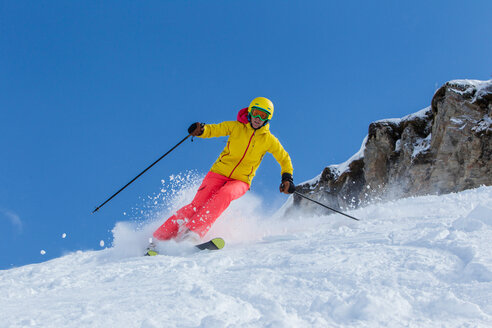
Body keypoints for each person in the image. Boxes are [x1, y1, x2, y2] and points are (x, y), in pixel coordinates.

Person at [148, 97, 295, 252]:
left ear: (268, 119)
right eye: (256, 113)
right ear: (250, 112)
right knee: (196, 206)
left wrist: (287, 178)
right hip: (218, 172)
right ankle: (157, 240)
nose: (258, 118)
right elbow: (216, 129)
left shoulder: (269, 140)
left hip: (241, 180)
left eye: (263, 116)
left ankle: (192, 234)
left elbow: (284, 158)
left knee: (225, 195)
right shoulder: (236, 127)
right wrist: (202, 130)